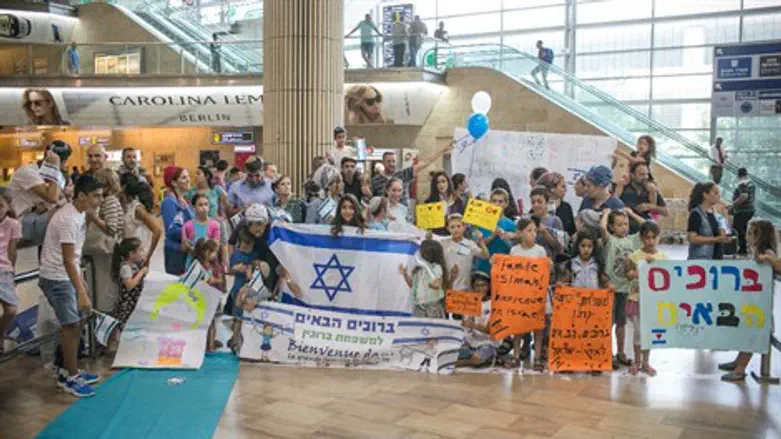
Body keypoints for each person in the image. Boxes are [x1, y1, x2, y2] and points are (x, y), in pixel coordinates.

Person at [39, 175, 103, 397]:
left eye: (101, 195)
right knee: (71, 326)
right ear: (82, 195)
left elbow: (72, 258)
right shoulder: (69, 219)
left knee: (78, 322)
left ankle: (69, 369)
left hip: (66, 275)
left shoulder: (79, 214)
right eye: (95, 196)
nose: (99, 201)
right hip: (57, 278)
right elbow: (67, 259)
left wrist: (80, 280)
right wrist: (81, 291)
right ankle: (70, 378)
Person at [719, 219, 777, 382]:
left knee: (753, 333)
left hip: (760, 303)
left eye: (752, 233)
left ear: (762, 236)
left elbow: (778, 264)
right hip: (751, 300)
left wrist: (767, 258)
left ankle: (740, 369)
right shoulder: (755, 251)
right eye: (748, 233)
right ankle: (738, 361)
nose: (747, 237)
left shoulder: (766, 252)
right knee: (746, 331)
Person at [599, 208, 646, 369]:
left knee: (621, 323)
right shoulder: (610, 240)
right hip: (611, 288)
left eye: (625, 224)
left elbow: (646, 226)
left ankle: (620, 352)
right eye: (619, 224)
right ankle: (607, 352)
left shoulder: (631, 241)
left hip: (626, 289)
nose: (623, 227)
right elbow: (602, 229)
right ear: (612, 227)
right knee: (608, 323)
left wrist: (631, 214)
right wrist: (606, 213)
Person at [8, 141, 69, 247]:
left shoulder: (52, 176)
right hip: (18, 223)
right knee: (66, 213)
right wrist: (54, 168)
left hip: (32, 219)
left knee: (71, 210)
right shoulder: (28, 172)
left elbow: (60, 199)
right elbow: (53, 198)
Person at [506, 217, 548, 370]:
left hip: (535, 295)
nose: (533, 234)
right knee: (517, 327)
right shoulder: (514, 250)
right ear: (520, 233)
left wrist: (548, 266)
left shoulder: (540, 251)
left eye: (535, 231)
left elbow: (545, 273)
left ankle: (537, 357)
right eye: (529, 231)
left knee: (537, 327)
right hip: (519, 295)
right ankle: (516, 355)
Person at [625, 221, 666, 376]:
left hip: (653, 301)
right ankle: (636, 361)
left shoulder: (662, 257)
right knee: (637, 333)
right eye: (647, 238)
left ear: (658, 238)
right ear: (641, 238)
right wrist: (638, 271)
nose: (650, 241)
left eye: (653, 237)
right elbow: (628, 274)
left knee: (648, 333)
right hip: (637, 299)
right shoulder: (635, 256)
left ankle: (646, 362)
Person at [85, 168, 124, 314]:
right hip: (108, 253)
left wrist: (93, 217)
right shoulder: (110, 200)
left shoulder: (110, 201)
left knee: (104, 291)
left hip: (107, 253)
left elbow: (111, 228)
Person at [371, 144, 453, 200]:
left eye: (393, 161)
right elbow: (373, 200)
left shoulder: (403, 174)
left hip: (403, 218)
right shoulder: (375, 181)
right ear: (383, 162)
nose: (392, 164)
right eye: (388, 161)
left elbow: (424, 163)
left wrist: (442, 151)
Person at [228, 230, 265, 354]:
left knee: (246, 317)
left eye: (248, 246)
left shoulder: (254, 255)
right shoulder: (237, 254)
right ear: (240, 243)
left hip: (251, 291)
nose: (246, 248)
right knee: (237, 317)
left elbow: (258, 269)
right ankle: (234, 339)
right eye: (244, 245)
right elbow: (231, 269)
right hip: (238, 288)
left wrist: (253, 267)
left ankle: (242, 341)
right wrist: (239, 268)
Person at [399, 239, 449, 319]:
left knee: (434, 329)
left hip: (432, 306)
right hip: (418, 306)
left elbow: (438, 282)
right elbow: (412, 284)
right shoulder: (418, 269)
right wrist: (405, 274)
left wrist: (434, 286)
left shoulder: (436, 267)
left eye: (420, 251)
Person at [456, 272, 497, 368]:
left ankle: (465, 362)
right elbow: (466, 329)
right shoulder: (469, 303)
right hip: (471, 342)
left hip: (488, 343)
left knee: (477, 358)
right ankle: (478, 360)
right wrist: (465, 323)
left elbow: (490, 330)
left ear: (488, 287)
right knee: (450, 353)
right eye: (477, 286)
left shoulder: (494, 303)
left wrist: (473, 325)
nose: (480, 289)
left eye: (483, 285)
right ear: (473, 288)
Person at [190, 238, 225, 352]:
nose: (216, 254)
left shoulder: (215, 266)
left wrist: (214, 281)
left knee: (212, 321)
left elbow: (221, 281)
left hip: (212, 298)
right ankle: (201, 343)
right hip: (200, 299)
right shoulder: (196, 265)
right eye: (214, 252)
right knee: (200, 321)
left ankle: (210, 344)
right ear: (205, 252)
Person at [474, 188, 518, 275]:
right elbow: (476, 245)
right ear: (490, 202)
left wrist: (507, 237)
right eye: (494, 201)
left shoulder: (512, 225)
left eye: (500, 201)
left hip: (503, 270)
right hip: (483, 268)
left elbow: (514, 248)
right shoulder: (481, 222)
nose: (497, 204)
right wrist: (492, 236)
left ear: (506, 204)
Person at [616, 162, 669, 234]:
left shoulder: (651, 189)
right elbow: (613, 204)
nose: (645, 177)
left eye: (647, 174)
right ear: (632, 175)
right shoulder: (624, 186)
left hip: (644, 226)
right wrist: (619, 186)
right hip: (625, 225)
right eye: (641, 174)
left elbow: (666, 212)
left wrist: (650, 206)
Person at [440, 214, 488, 292]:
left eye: (458, 226)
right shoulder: (443, 243)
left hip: (466, 287)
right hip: (449, 286)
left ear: (464, 227)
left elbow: (485, 256)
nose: (456, 229)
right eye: (452, 227)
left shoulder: (470, 244)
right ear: (448, 229)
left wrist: (481, 241)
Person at [120, 174, 161, 265]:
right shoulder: (128, 206)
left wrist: (148, 255)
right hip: (129, 255)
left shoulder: (137, 208)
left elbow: (157, 230)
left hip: (138, 257)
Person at [161, 166, 193, 275]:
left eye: (188, 176)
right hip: (175, 251)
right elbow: (171, 230)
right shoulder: (169, 202)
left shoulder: (181, 201)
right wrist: (191, 231)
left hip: (186, 250)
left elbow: (193, 221)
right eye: (184, 178)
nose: (188, 179)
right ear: (174, 183)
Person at [109, 237, 148, 328]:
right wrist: (141, 272)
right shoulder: (125, 268)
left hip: (134, 304)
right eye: (141, 250)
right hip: (127, 306)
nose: (143, 253)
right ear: (131, 254)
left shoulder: (134, 265)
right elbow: (129, 285)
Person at [687, 182, 732, 260]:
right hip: (701, 259)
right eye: (716, 193)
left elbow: (723, 234)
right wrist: (716, 239)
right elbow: (692, 238)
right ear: (705, 195)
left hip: (716, 258)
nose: (719, 196)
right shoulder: (696, 213)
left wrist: (724, 216)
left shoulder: (715, 213)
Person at [0, 190, 20, 355]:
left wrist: (12, 271)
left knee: (11, 309)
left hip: (4, 270)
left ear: (7, 207)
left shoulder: (12, 224)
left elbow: (12, 250)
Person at [182, 193, 221, 268]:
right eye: (200, 205)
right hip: (191, 264)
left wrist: (203, 253)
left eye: (206, 204)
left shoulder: (215, 225)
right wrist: (186, 245)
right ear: (193, 207)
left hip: (208, 265)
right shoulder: (187, 225)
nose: (204, 207)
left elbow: (216, 248)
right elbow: (184, 248)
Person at [425, 171, 466, 236]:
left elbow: (464, 222)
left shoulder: (458, 201)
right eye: (437, 182)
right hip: (437, 238)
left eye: (443, 181)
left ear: (448, 182)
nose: (441, 185)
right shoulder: (429, 202)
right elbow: (427, 226)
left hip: (456, 238)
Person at [535, 172, 575, 236]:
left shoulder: (566, 207)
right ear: (552, 189)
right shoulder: (537, 207)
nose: (566, 190)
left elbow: (572, 232)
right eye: (563, 187)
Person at [529, 187, 564, 259]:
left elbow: (560, 248)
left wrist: (545, 232)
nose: (536, 205)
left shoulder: (555, 220)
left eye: (539, 202)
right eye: (533, 202)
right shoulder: (526, 219)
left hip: (548, 262)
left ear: (546, 202)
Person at [730, 168, 755, 256]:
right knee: (745, 229)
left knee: (738, 229)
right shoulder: (750, 182)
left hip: (742, 211)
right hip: (750, 209)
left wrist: (732, 206)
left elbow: (744, 196)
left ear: (738, 175)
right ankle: (746, 248)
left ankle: (742, 249)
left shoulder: (742, 183)